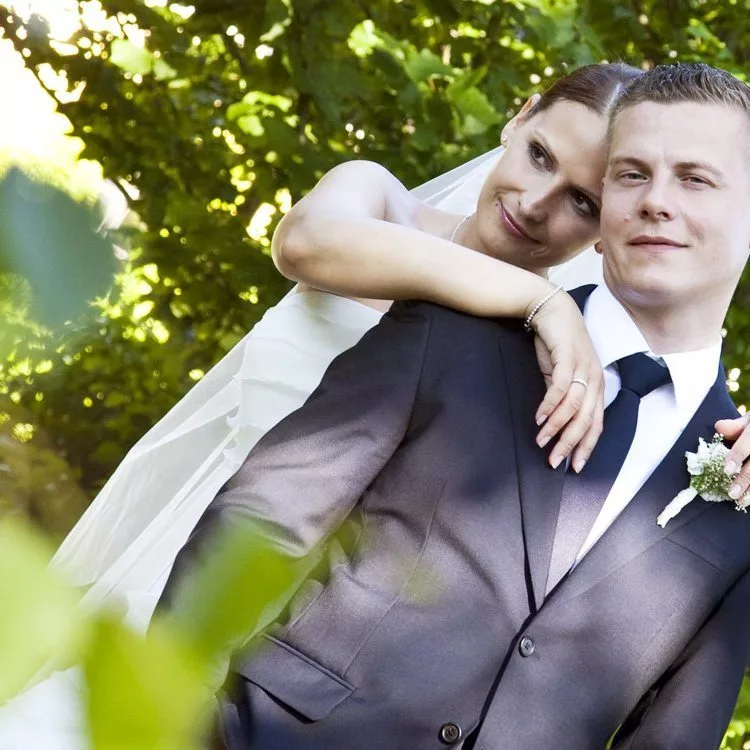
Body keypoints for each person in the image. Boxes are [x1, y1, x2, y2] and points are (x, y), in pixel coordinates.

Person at [0, 62, 642, 749]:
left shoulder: (551, 366)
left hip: (312, 686)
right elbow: (301, 243)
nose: (538, 201)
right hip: (171, 589)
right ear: (518, 117)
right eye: (539, 153)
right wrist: (535, 297)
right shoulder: (378, 201)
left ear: (607, 229)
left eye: (582, 201)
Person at [162, 62, 750, 748]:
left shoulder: (738, 491)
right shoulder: (454, 327)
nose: (654, 200)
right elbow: (258, 525)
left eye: (696, 178)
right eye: (630, 175)